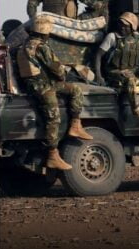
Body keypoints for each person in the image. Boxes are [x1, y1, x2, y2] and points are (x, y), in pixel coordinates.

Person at [17, 16, 93, 170]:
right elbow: (56, 68)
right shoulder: (41, 47)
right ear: (45, 33)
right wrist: (62, 73)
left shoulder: (24, 45)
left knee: (74, 90)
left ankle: (75, 126)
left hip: (34, 85)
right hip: (44, 87)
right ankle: (53, 154)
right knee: (54, 118)